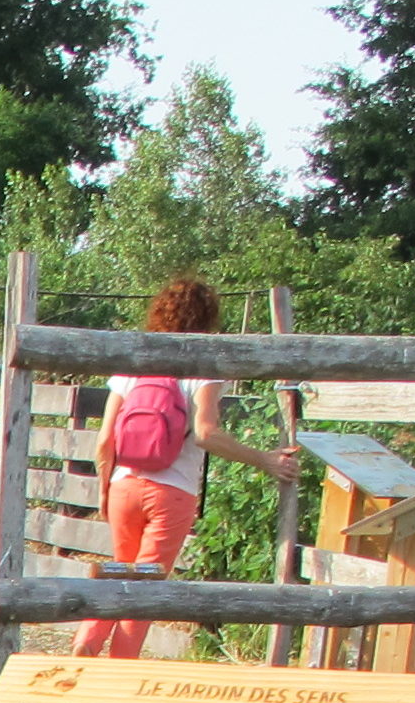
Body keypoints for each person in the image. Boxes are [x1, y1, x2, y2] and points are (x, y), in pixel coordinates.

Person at [79, 276, 302, 660]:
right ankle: (118, 669)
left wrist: (104, 487)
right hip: (172, 490)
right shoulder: (204, 365)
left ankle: (86, 642)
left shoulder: (135, 362)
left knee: (119, 571)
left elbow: (104, 440)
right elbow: (206, 434)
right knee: (146, 587)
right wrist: (265, 459)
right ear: (208, 318)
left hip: (124, 485)